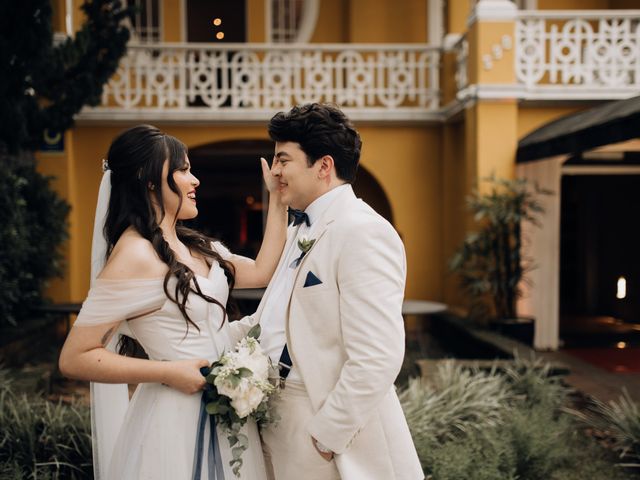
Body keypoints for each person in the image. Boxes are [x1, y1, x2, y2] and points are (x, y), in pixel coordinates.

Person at [58, 124, 287, 479]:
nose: (194, 180)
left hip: (226, 415)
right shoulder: (134, 255)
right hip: (173, 421)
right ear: (148, 180)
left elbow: (261, 271)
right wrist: (166, 371)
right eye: (182, 170)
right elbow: (75, 357)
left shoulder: (196, 246)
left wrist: (278, 200)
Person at [232, 103, 424, 479]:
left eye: (283, 160)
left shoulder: (364, 231)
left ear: (323, 166)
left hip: (316, 422)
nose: (274, 172)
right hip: (272, 412)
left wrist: (326, 435)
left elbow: (378, 355)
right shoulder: (299, 229)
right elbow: (269, 319)